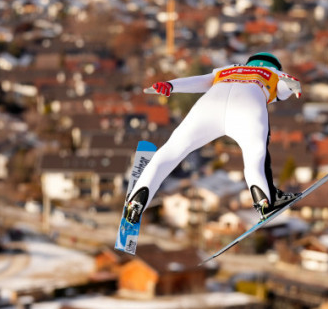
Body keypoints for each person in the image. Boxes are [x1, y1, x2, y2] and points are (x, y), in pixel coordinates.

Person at [123, 52, 303, 225]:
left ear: (250, 62)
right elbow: (285, 86)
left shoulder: (228, 69)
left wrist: (171, 85)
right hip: (247, 108)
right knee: (255, 156)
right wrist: (294, 85)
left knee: (172, 150)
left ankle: (136, 202)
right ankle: (264, 202)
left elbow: (200, 81)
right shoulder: (275, 73)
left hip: (209, 107)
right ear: (275, 65)